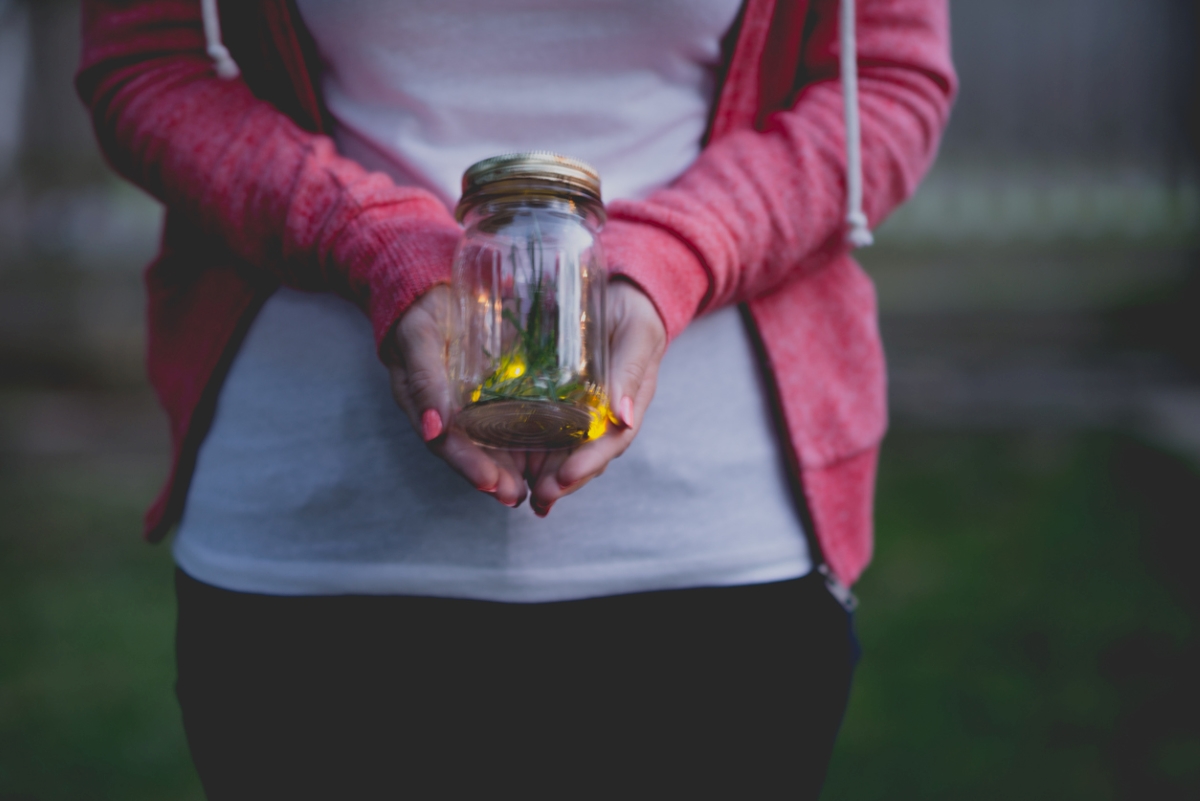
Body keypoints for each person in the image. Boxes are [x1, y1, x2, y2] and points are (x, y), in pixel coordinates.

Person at [77, 0, 955, 797]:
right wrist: (367, 240)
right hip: (317, 542)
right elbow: (146, 65)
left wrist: (678, 255)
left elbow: (885, 84)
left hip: (712, 549)